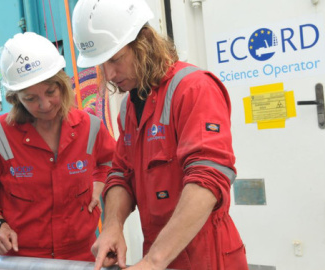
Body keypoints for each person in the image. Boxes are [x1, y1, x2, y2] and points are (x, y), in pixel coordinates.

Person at [72, 0, 248, 269]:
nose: (109, 74)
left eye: (115, 59)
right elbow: (121, 174)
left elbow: (208, 178)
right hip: (159, 254)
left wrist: (154, 261)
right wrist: (112, 226)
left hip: (207, 257)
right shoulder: (130, 106)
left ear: (143, 42)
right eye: (100, 65)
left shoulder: (193, 88)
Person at [0, 32, 116, 261]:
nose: (44, 105)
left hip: (82, 257)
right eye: (30, 98)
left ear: (62, 84)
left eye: (50, 92)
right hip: (24, 260)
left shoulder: (90, 127)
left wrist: (99, 181)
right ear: (15, 99)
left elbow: (114, 161)